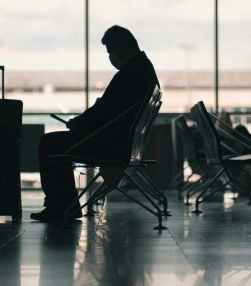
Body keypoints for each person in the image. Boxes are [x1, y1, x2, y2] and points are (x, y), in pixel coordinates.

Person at [31, 26, 160, 223]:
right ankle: (65, 205)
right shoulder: (145, 71)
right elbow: (109, 111)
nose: (111, 57)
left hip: (110, 147)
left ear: (124, 48)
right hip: (123, 145)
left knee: (49, 143)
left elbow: (103, 112)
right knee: (54, 143)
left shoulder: (128, 75)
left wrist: (78, 124)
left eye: (111, 51)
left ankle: (60, 206)